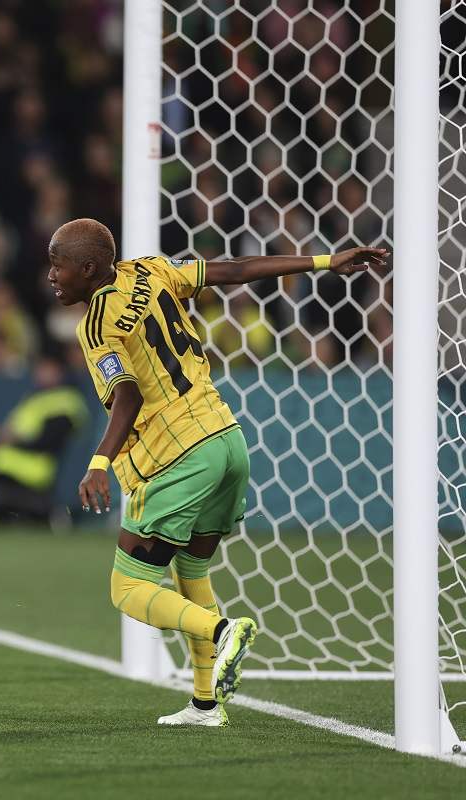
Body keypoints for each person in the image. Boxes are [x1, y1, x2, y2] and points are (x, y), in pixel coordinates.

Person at [46, 218, 387, 726]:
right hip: (226, 440)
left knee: (129, 588)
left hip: (176, 456)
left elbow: (127, 395)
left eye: (58, 263)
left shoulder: (96, 325)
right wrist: (325, 261)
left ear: (89, 268)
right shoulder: (152, 271)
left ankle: (222, 630)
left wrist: (99, 460)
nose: (51, 274)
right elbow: (237, 271)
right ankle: (206, 704)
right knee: (192, 571)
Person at [0, 355, 89, 531]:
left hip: (36, 466)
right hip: (10, 460)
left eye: (46, 368)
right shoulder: (35, 397)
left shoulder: (65, 401)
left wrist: (12, 441)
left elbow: (47, 442)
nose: (40, 373)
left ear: (58, 371)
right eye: (39, 368)